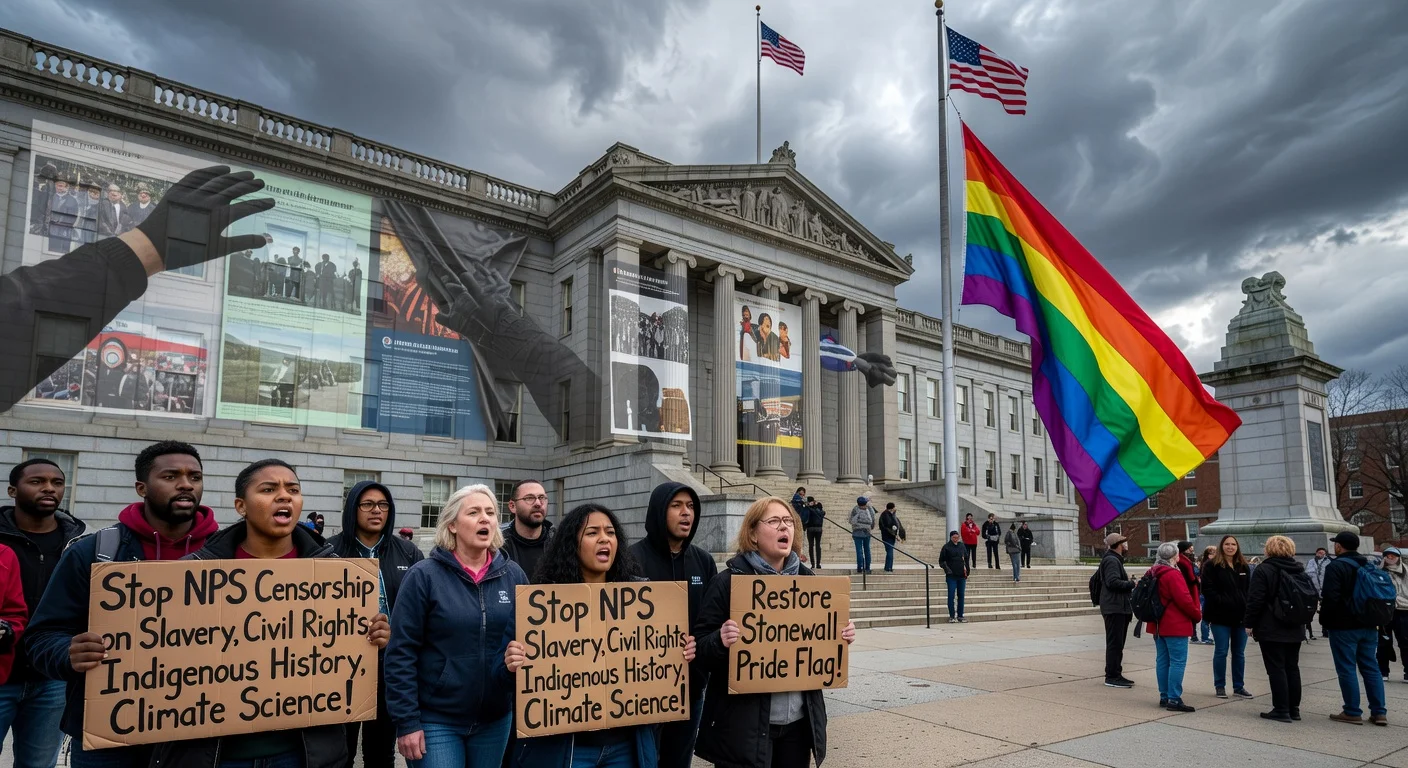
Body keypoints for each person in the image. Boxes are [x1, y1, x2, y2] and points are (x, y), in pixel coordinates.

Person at [25, 440, 220, 768]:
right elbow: (42, 636)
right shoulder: (93, 552)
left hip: (200, 736)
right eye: (171, 476)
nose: (186, 484)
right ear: (142, 488)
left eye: (195, 477)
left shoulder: (230, 554)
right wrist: (68, 652)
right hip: (111, 741)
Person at [184, 459, 391, 768]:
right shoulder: (193, 574)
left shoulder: (337, 574)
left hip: (305, 752)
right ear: (241, 506)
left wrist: (375, 637)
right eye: (269, 489)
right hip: (220, 754)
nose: (284, 496)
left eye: (293, 490)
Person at [504, 503, 694, 768]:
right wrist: (510, 663)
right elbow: (502, 677)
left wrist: (676, 651)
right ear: (572, 544)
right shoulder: (540, 606)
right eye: (592, 533)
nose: (604, 539)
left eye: (610, 532)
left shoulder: (642, 600)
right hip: (569, 750)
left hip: (625, 748)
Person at [692, 497, 855, 768]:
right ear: (753, 534)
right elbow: (699, 649)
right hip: (744, 729)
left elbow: (816, 643)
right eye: (775, 521)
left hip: (798, 727)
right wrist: (720, 639)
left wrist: (839, 634)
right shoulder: (727, 583)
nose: (784, 527)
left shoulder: (809, 583)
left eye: (789, 521)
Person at [387, 484, 526, 768]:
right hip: (436, 720)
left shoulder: (514, 575)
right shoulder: (423, 576)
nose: (484, 518)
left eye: (490, 512)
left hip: (495, 720)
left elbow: (526, 643)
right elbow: (401, 652)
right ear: (452, 524)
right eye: (473, 512)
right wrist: (407, 721)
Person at [329, 481, 425, 768]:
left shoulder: (408, 553)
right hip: (339, 668)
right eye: (368, 504)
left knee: (381, 752)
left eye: (383, 505)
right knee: (338, 752)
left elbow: (422, 613)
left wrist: (395, 634)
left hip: (390, 668)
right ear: (353, 508)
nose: (376, 511)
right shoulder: (327, 551)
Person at [0, 459, 83, 768]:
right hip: (2, 672)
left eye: (57, 482)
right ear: (13, 490)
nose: (49, 488)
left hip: (53, 679)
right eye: (37, 482)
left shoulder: (80, 544)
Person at [627, 482, 717, 768]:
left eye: (690, 506)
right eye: (676, 506)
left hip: (691, 687)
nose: (686, 513)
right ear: (659, 511)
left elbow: (712, 622)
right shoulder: (630, 560)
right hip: (641, 692)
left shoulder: (703, 561)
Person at [1319, 531, 1388, 725]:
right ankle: (1379, 712)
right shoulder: (1368, 564)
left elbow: (1330, 598)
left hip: (1343, 625)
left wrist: (1325, 621)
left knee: (1347, 668)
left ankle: (1352, 711)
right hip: (1369, 623)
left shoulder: (1336, 566)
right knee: (1371, 667)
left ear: (1339, 546)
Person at [1245, 536, 1313, 723]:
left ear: (1268, 549)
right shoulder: (1299, 569)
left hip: (1271, 625)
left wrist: (1249, 623)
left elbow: (1256, 599)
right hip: (1295, 624)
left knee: (1276, 668)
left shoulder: (1264, 569)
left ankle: (1281, 709)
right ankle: (1294, 709)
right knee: (1292, 667)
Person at [1147, 541, 1202, 712]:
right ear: (1175, 556)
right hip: (1174, 623)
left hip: (1157, 623)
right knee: (1178, 661)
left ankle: (1164, 695)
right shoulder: (1173, 574)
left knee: (1162, 661)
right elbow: (1184, 600)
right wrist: (1197, 615)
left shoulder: (1152, 571)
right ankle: (1174, 698)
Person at [1202, 535, 1252, 699]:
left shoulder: (1243, 566)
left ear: (1237, 547)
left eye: (1233, 544)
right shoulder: (1211, 566)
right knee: (1221, 651)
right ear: (1221, 546)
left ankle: (1239, 686)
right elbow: (1207, 590)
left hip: (1240, 616)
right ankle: (1220, 686)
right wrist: (1224, 601)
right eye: (1227, 544)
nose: (1230, 547)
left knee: (1239, 653)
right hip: (1220, 616)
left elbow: (1249, 590)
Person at [1098, 533, 1138, 689]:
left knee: (1117, 643)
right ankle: (1112, 676)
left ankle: (1116, 673)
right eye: (1125, 543)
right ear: (1120, 545)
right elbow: (1112, 582)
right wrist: (1132, 584)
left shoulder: (1114, 560)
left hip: (1117, 606)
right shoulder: (1112, 560)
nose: (1127, 546)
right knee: (1115, 643)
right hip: (1114, 607)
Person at [497, 479, 553, 579]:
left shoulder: (558, 541)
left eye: (542, 497)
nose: (538, 503)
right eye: (529, 498)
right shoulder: (498, 543)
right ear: (512, 506)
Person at [1379, 547, 1408, 682]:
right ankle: (1383, 671)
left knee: (1405, 642)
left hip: (1403, 610)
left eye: (1393, 556)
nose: (1390, 558)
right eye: (1388, 556)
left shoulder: (1406, 571)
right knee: (1383, 642)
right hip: (1384, 611)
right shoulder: (1379, 571)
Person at [939, 530, 968, 623]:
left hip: (961, 575)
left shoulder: (961, 546)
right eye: (954, 538)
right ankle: (952, 615)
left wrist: (967, 569)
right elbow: (941, 561)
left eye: (957, 537)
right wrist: (947, 570)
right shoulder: (946, 547)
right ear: (951, 537)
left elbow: (966, 558)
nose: (956, 539)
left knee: (961, 595)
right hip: (951, 575)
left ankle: (960, 615)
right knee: (951, 595)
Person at [1307, 547, 1331, 641]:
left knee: (1325, 611)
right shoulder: (1311, 562)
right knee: (1311, 610)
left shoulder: (1328, 562)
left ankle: (1325, 631)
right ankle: (1309, 631)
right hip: (1313, 590)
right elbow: (1308, 574)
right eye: (1319, 552)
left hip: (1325, 590)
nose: (1320, 554)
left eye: (1322, 553)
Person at [849, 496, 875, 574]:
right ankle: (867, 568)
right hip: (867, 532)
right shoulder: (869, 509)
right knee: (867, 550)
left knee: (859, 550)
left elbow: (851, 520)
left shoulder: (855, 509)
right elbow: (873, 519)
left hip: (857, 532)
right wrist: (871, 527)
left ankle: (859, 567)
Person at [1197, 546, 1216, 644]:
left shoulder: (1205, 564)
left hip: (1205, 594)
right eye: (1214, 553)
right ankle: (1205, 637)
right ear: (1209, 555)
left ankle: (1206, 636)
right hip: (1205, 595)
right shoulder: (1208, 565)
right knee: (1206, 617)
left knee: (1207, 616)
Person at [878, 502, 904, 572]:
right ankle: (888, 568)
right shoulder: (885, 515)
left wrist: (898, 535)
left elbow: (896, 525)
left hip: (891, 536)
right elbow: (888, 527)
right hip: (887, 536)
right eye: (894, 507)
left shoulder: (891, 515)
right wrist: (895, 535)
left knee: (890, 551)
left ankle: (889, 567)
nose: (895, 508)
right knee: (890, 551)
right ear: (892, 508)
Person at [803, 497, 825, 568]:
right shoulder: (818, 507)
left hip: (810, 529)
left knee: (811, 546)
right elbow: (823, 513)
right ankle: (818, 564)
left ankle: (813, 564)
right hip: (818, 529)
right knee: (817, 546)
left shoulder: (808, 508)